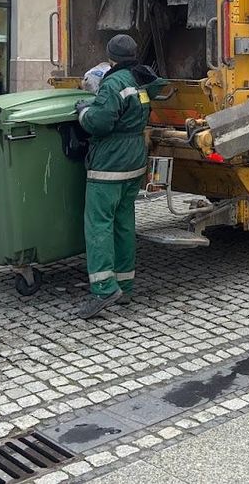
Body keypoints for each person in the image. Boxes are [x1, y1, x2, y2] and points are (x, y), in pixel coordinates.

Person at [74, 35, 161, 319]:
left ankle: (104, 289)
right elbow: (155, 92)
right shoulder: (141, 78)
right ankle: (125, 285)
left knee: (99, 223)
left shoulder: (112, 83)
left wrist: (84, 111)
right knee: (124, 222)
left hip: (110, 160)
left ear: (110, 56)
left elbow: (99, 122)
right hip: (134, 156)